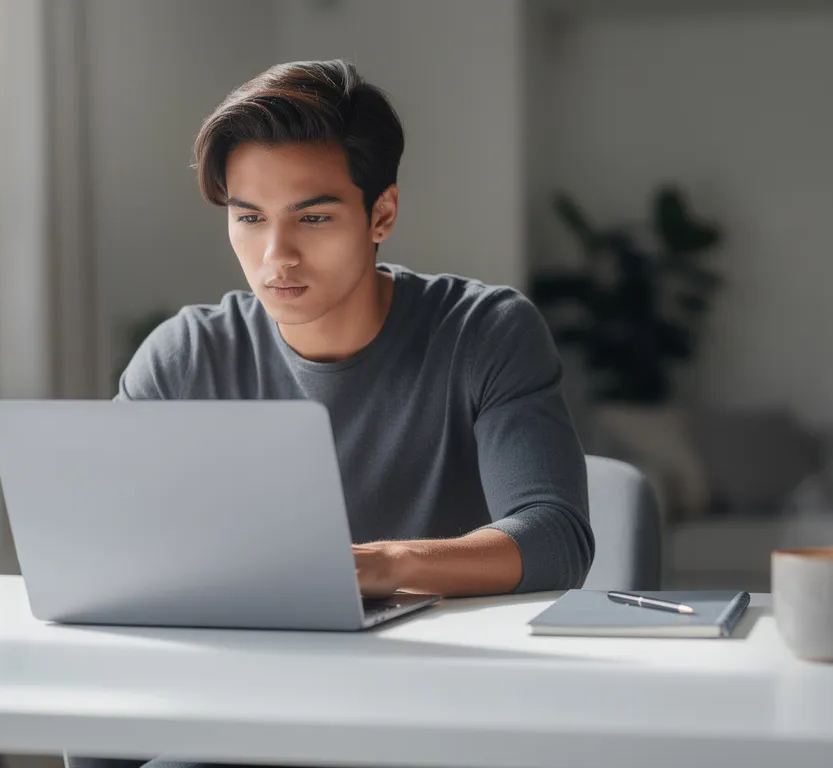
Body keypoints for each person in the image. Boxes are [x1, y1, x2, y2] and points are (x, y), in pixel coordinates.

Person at [68, 56, 593, 768]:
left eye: (312, 217)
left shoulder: (484, 331)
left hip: (438, 707)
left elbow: (556, 538)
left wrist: (364, 571)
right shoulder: (184, 356)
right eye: (249, 218)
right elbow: (108, 570)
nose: (275, 257)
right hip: (246, 702)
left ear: (382, 214)